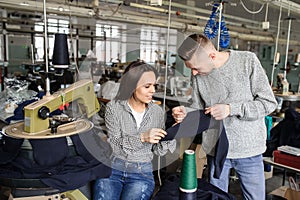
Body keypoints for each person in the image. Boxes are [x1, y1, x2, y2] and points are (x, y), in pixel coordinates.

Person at [172, 33, 277, 200]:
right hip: (216, 149)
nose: (193, 73)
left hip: (248, 150)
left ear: (212, 56)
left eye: (196, 68)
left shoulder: (247, 62)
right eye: (190, 68)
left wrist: (230, 109)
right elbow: (198, 108)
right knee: (215, 197)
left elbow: (269, 103)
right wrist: (186, 113)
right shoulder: (198, 76)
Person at [93, 60, 176, 200]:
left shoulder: (157, 112)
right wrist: (142, 138)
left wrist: (174, 132)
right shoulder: (114, 108)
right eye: (147, 86)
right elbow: (115, 145)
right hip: (114, 167)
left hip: (141, 172)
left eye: (154, 86)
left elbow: (158, 150)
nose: (153, 91)